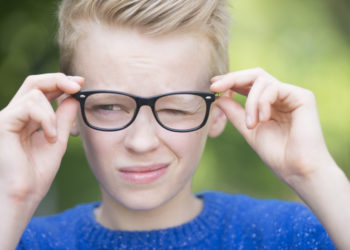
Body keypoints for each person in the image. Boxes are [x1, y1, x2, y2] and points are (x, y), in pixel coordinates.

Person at [0, 0, 349, 249]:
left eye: (176, 110)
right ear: (68, 109)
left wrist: (316, 173)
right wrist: (11, 198)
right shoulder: (20, 238)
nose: (141, 142)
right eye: (109, 106)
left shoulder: (291, 236)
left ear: (217, 112)